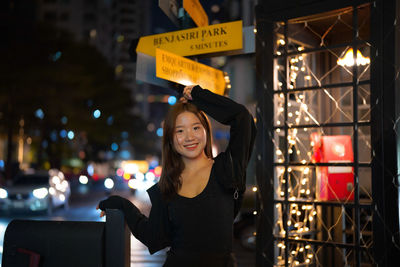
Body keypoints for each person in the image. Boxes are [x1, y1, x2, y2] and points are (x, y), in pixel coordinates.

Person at [97, 85, 256, 266]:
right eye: (180, 131)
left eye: (196, 128)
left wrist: (197, 95)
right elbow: (154, 238)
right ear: (171, 139)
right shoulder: (167, 184)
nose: (189, 137)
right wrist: (122, 205)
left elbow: (242, 118)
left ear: (206, 131)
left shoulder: (228, 168)